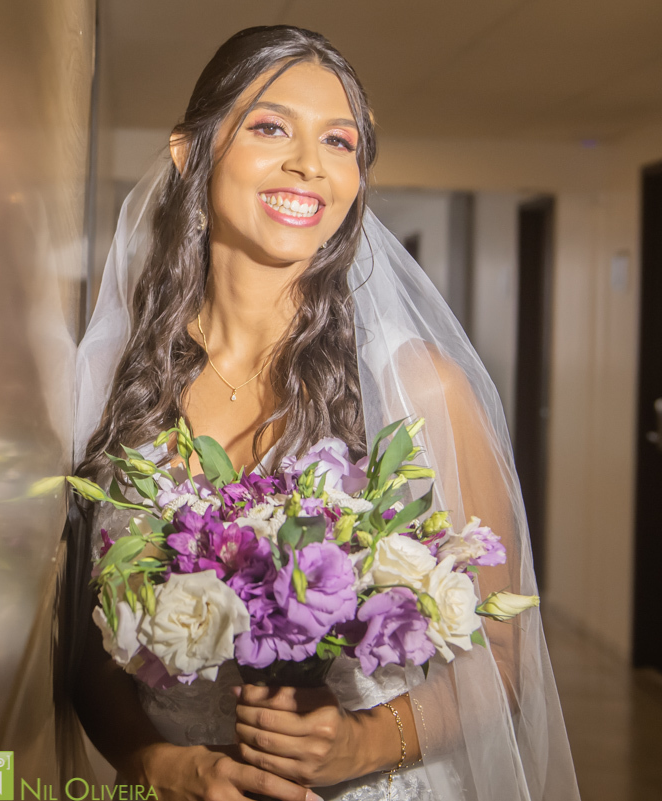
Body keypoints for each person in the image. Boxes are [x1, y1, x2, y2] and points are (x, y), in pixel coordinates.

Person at [58, 26, 579, 801]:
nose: (310, 164)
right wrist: (154, 759)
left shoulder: (417, 387)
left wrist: (363, 741)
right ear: (189, 152)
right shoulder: (110, 384)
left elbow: (504, 656)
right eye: (271, 127)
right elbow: (87, 650)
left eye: (340, 142)